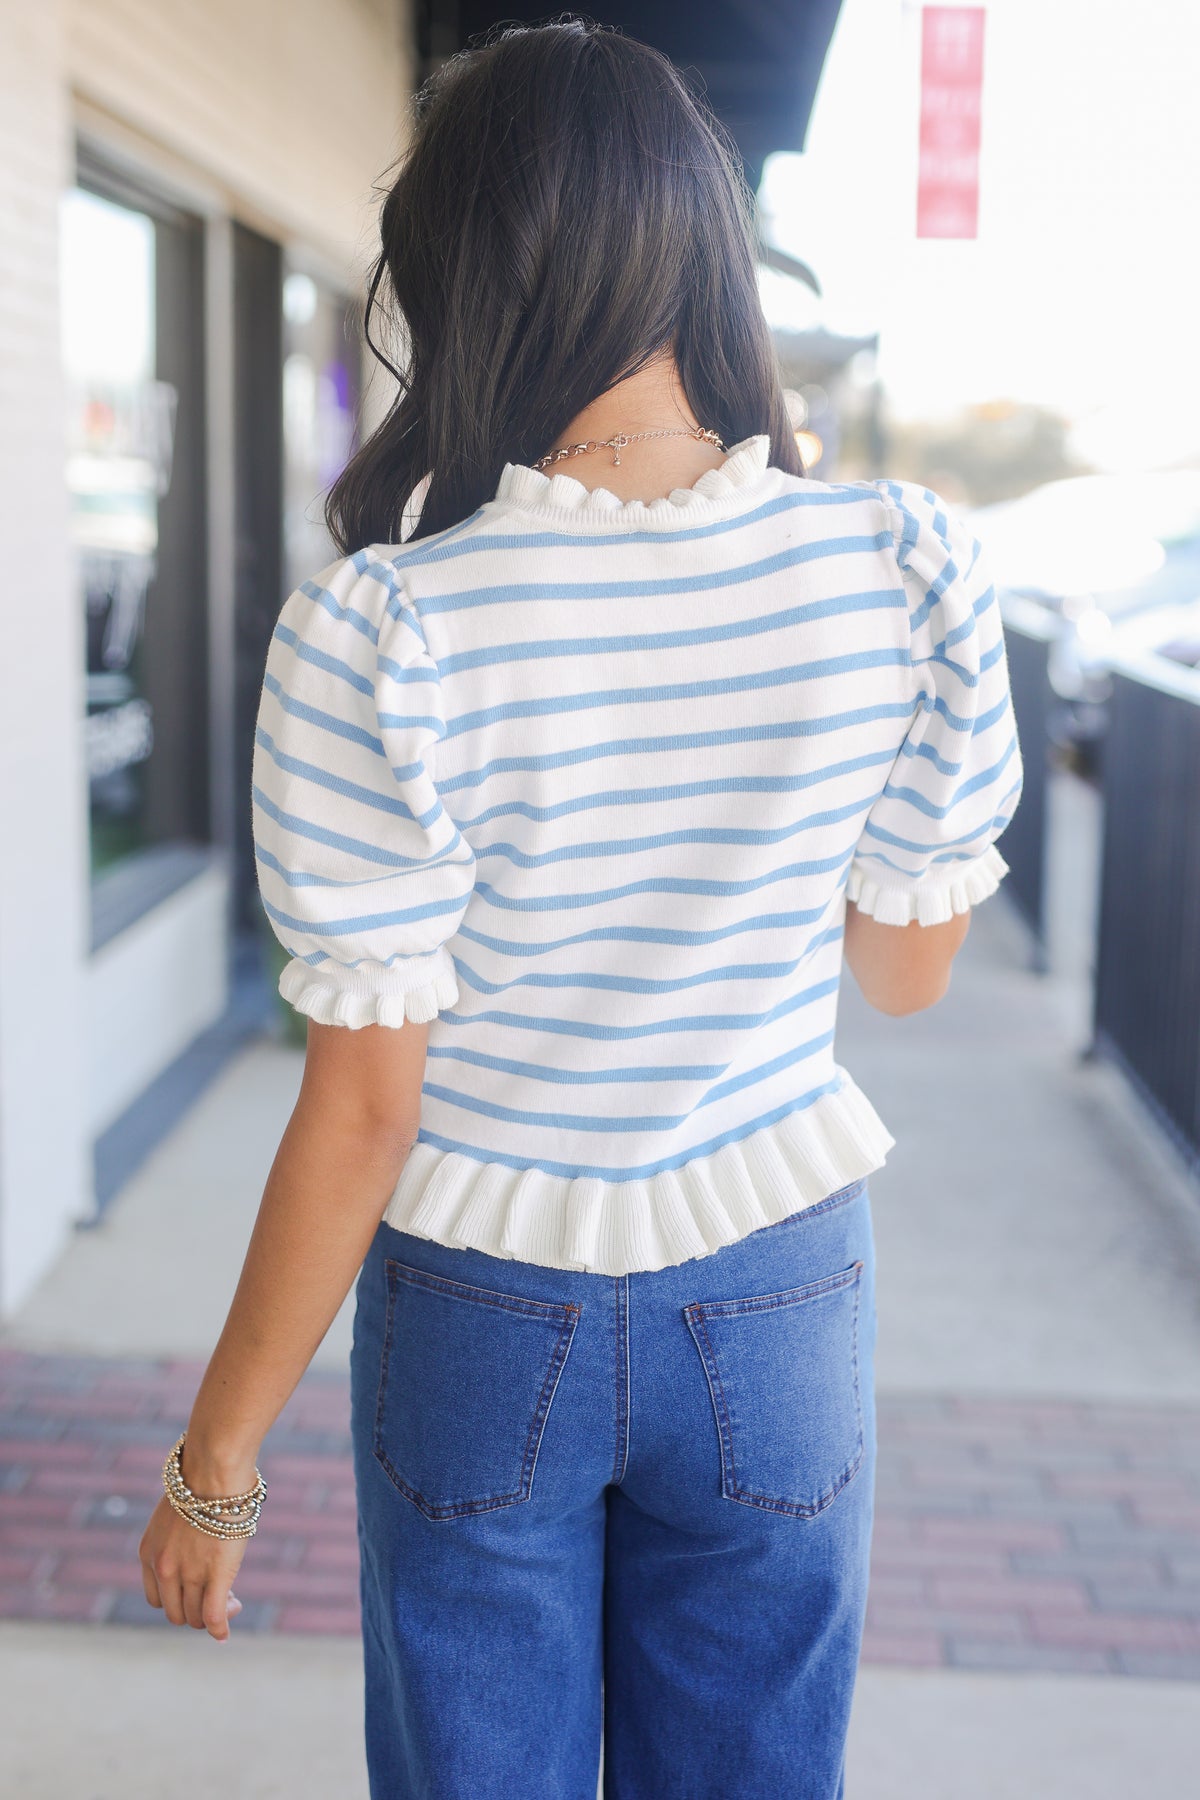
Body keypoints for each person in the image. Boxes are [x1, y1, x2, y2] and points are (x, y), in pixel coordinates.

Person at [138, 19, 1022, 1798]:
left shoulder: (385, 633)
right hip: (775, 1287)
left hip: (485, 1303)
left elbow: (365, 1106)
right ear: (703, 248)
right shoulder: (900, 570)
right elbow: (906, 975)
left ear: (456, 283)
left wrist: (215, 1458)